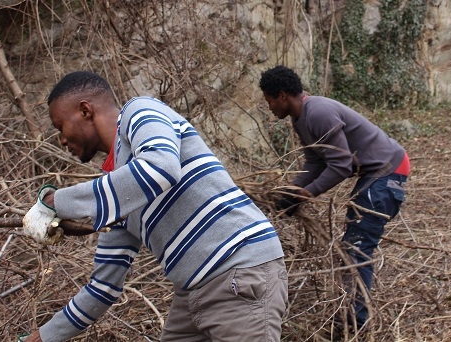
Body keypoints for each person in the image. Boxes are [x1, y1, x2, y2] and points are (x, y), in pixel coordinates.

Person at [21, 71, 288, 342]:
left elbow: (161, 167)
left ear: (85, 111)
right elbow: (103, 286)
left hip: (238, 271)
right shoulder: (120, 192)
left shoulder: (139, 112)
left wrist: (58, 203)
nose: (62, 140)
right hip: (193, 292)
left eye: (60, 128)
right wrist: (43, 337)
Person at [259, 65, 410, 329]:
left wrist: (306, 194)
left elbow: (341, 165)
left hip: (387, 171)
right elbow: (315, 163)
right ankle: (353, 317)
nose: (269, 107)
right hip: (376, 173)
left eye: (269, 100)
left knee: (356, 247)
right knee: (354, 245)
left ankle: (355, 323)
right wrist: (291, 190)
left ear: (282, 95)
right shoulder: (301, 118)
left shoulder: (318, 112)